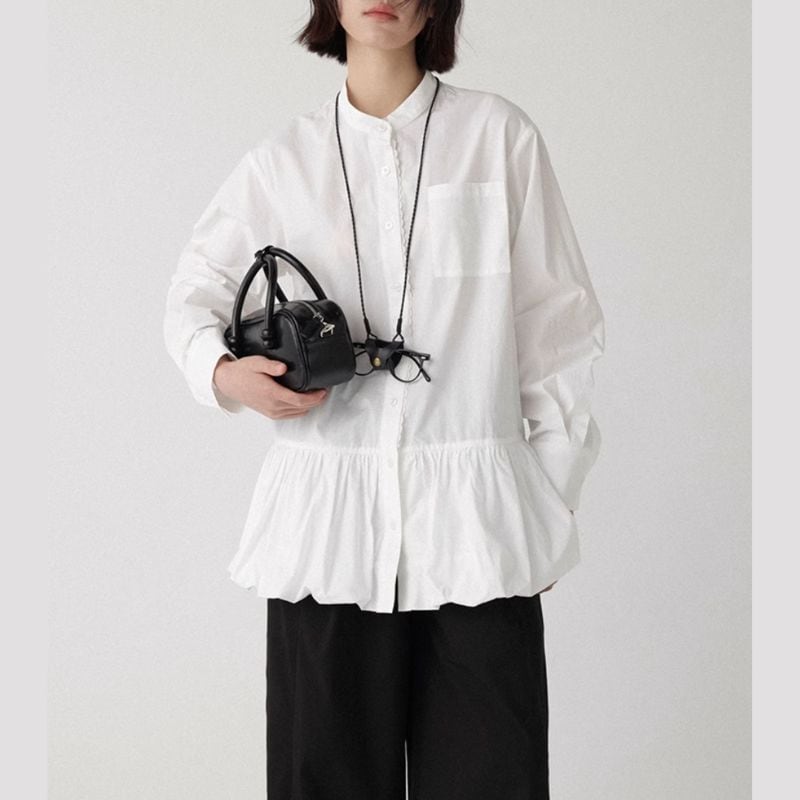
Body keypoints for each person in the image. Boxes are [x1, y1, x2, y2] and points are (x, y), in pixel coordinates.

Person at [163, 1, 605, 797]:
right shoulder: (284, 160)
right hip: (326, 540)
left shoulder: (498, 137)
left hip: (478, 535)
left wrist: (547, 502)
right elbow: (191, 297)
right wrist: (225, 375)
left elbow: (559, 329)